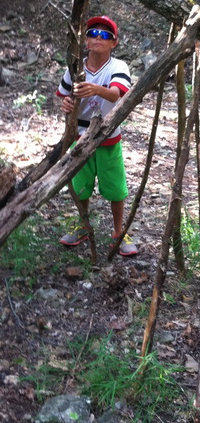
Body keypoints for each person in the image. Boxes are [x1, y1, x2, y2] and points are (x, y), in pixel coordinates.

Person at [56, 15, 137, 256]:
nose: (98, 38)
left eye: (105, 35)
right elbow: (63, 96)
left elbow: (116, 94)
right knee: (80, 184)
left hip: (106, 136)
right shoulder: (75, 68)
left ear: (114, 42)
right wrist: (68, 103)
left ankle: (118, 232)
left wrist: (95, 89)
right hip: (79, 137)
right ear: (86, 40)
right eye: (93, 33)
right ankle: (83, 224)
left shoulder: (118, 67)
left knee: (115, 187)